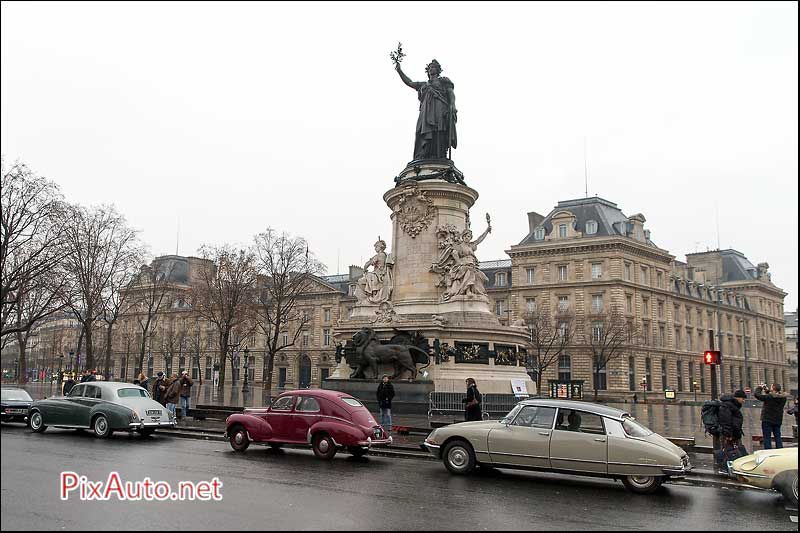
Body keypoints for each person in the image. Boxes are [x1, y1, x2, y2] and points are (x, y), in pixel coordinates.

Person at [394, 58, 457, 161]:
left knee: (439, 129)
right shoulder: (423, 85)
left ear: (438, 70)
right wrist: (399, 71)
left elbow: (451, 94)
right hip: (426, 111)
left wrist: (453, 105)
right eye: (430, 68)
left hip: (440, 107)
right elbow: (410, 82)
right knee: (423, 130)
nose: (431, 69)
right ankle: (424, 154)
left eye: (434, 67)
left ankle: (440, 154)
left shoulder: (444, 81)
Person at [717, 389, 747, 468]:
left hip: (735, 433)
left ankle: (730, 466)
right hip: (730, 434)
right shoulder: (727, 406)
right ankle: (725, 466)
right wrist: (728, 435)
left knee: (732, 451)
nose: (744, 401)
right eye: (743, 399)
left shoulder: (733, 405)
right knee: (728, 451)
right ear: (737, 398)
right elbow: (726, 421)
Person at [754, 383, 787, 449]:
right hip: (777, 420)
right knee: (777, 436)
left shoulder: (770, 397)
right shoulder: (783, 398)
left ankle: (768, 451)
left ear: (773, 388)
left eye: (771, 386)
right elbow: (774, 395)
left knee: (767, 437)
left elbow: (758, 395)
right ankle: (780, 450)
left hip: (767, 420)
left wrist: (759, 388)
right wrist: (767, 390)